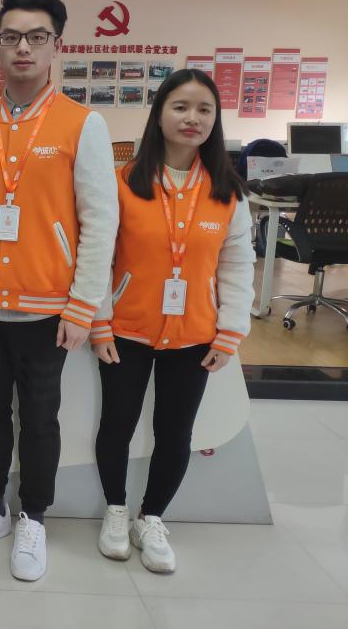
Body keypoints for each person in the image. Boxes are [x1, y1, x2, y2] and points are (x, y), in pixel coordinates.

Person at [0, 0, 118, 581]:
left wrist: (84, 305)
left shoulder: (82, 124)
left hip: (48, 307)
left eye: (37, 37)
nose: (23, 47)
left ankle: (34, 516)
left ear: (55, 46)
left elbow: (100, 221)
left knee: (40, 417)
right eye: (11, 36)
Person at [91, 68, 254, 573]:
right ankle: (115, 511)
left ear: (215, 120)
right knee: (116, 426)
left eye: (204, 109)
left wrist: (231, 331)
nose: (192, 118)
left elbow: (237, 265)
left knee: (175, 433)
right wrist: (98, 320)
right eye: (180, 107)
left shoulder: (228, 192)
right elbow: (97, 257)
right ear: (159, 115)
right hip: (126, 330)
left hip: (194, 336)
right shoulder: (123, 183)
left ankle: (151, 517)